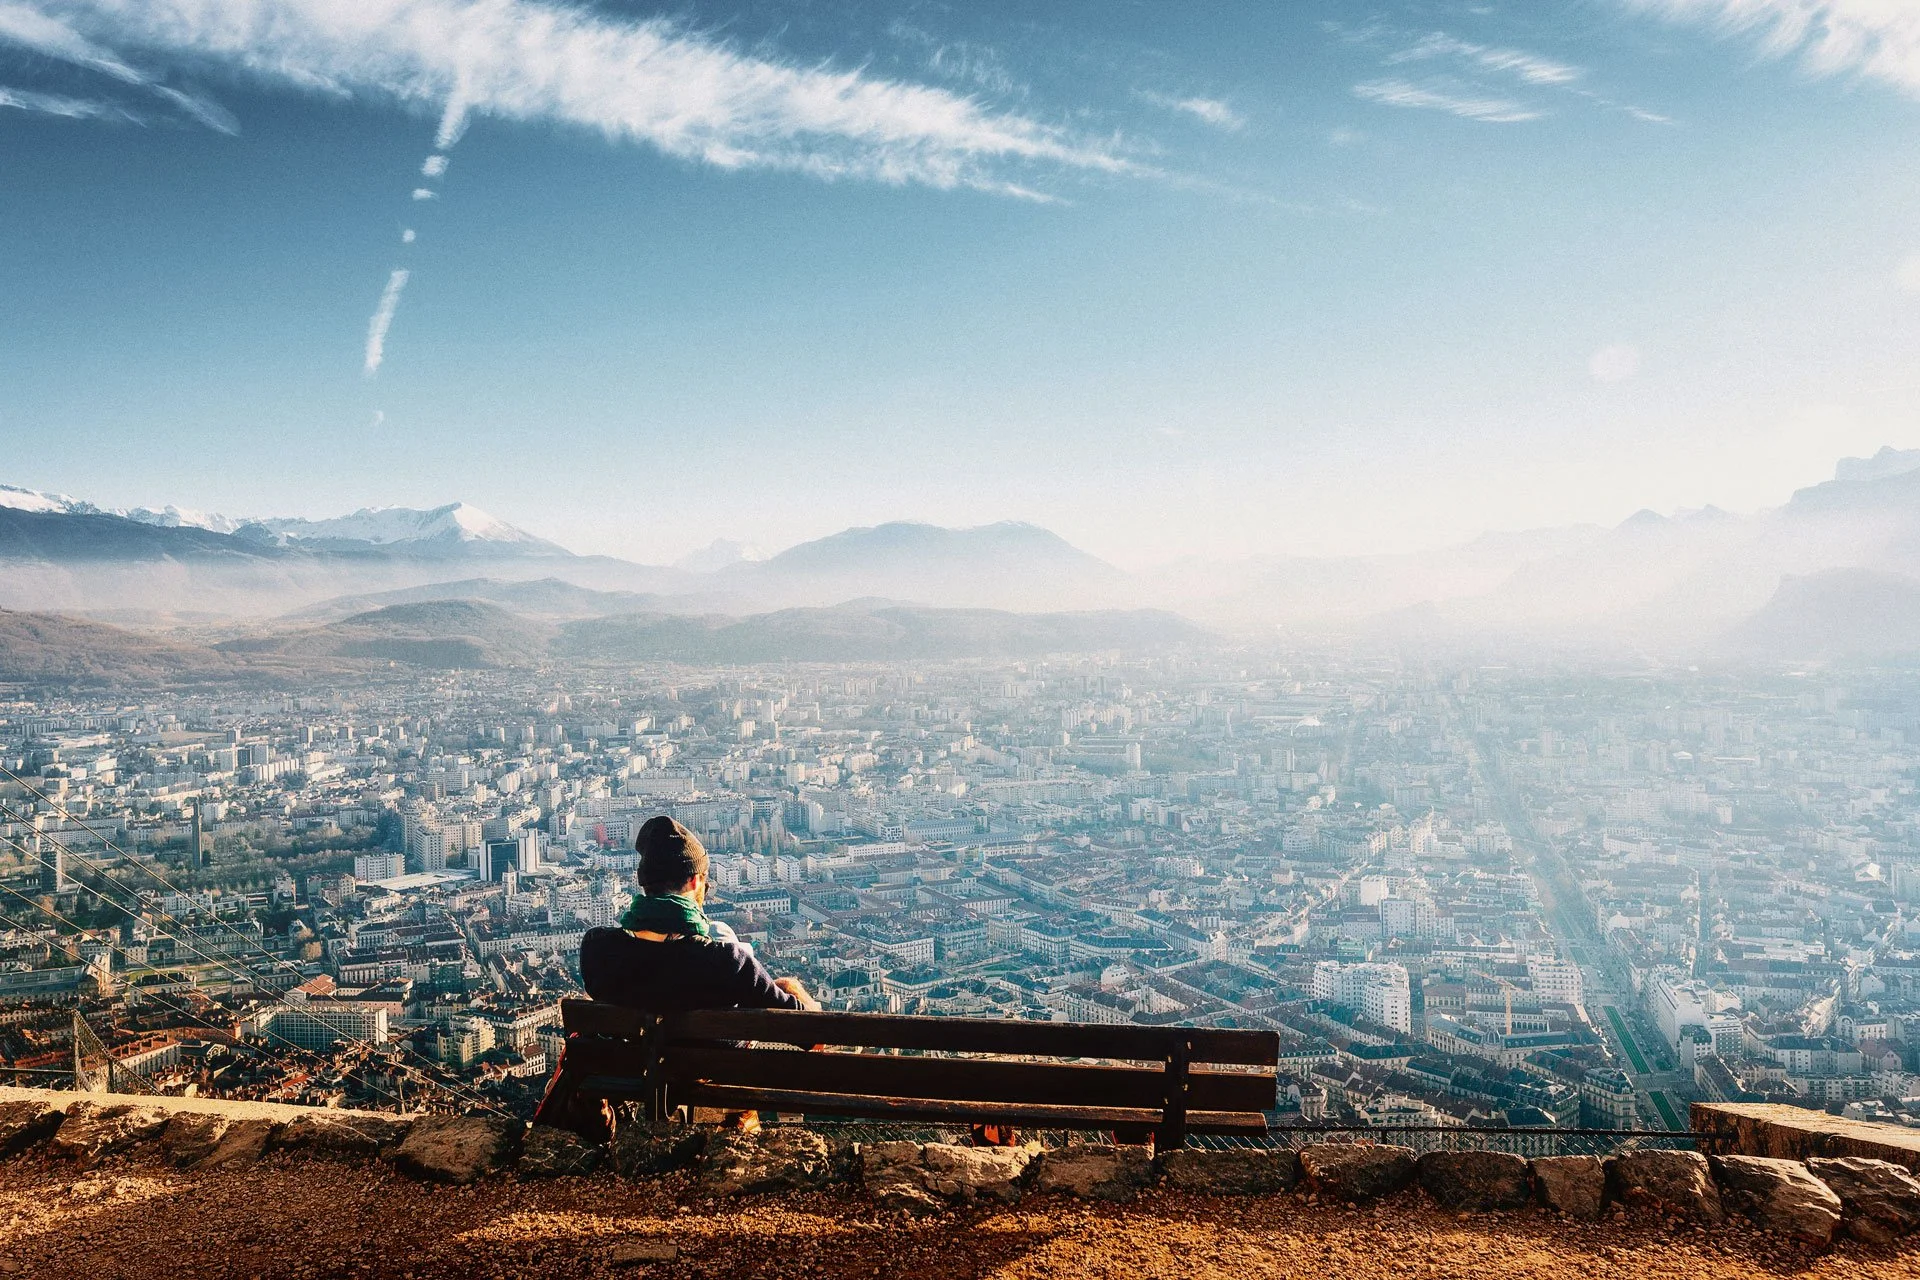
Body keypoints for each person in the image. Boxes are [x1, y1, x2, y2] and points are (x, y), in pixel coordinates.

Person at [578, 814, 819, 1015]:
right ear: (695, 881)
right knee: (789, 985)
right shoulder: (727, 962)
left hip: (630, 1069)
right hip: (704, 1072)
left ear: (643, 882)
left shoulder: (597, 949)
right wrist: (792, 989)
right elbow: (812, 1031)